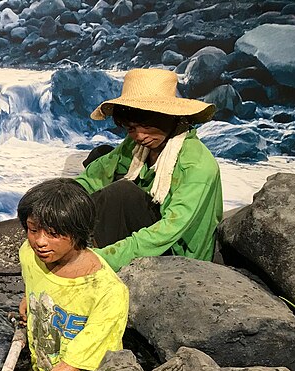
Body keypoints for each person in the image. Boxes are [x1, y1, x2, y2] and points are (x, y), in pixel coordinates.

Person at [0, 179, 128, 371]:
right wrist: (29, 302)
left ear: (78, 232)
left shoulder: (108, 292)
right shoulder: (29, 254)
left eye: (53, 234)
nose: (40, 242)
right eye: (32, 230)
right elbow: (36, 285)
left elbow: (72, 365)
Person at [75, 68, 223, 272]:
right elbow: (96, 175)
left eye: (147, 126)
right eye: (131, 128)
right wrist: (58, 202)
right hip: (149, 224)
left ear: (171, 118)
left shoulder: (196, 166)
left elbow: (169, 229)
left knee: (121, 193)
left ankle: (92, 255)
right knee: (99, 156)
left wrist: (102, 258)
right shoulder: (138, 144)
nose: (139, 136)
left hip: (177, 254)